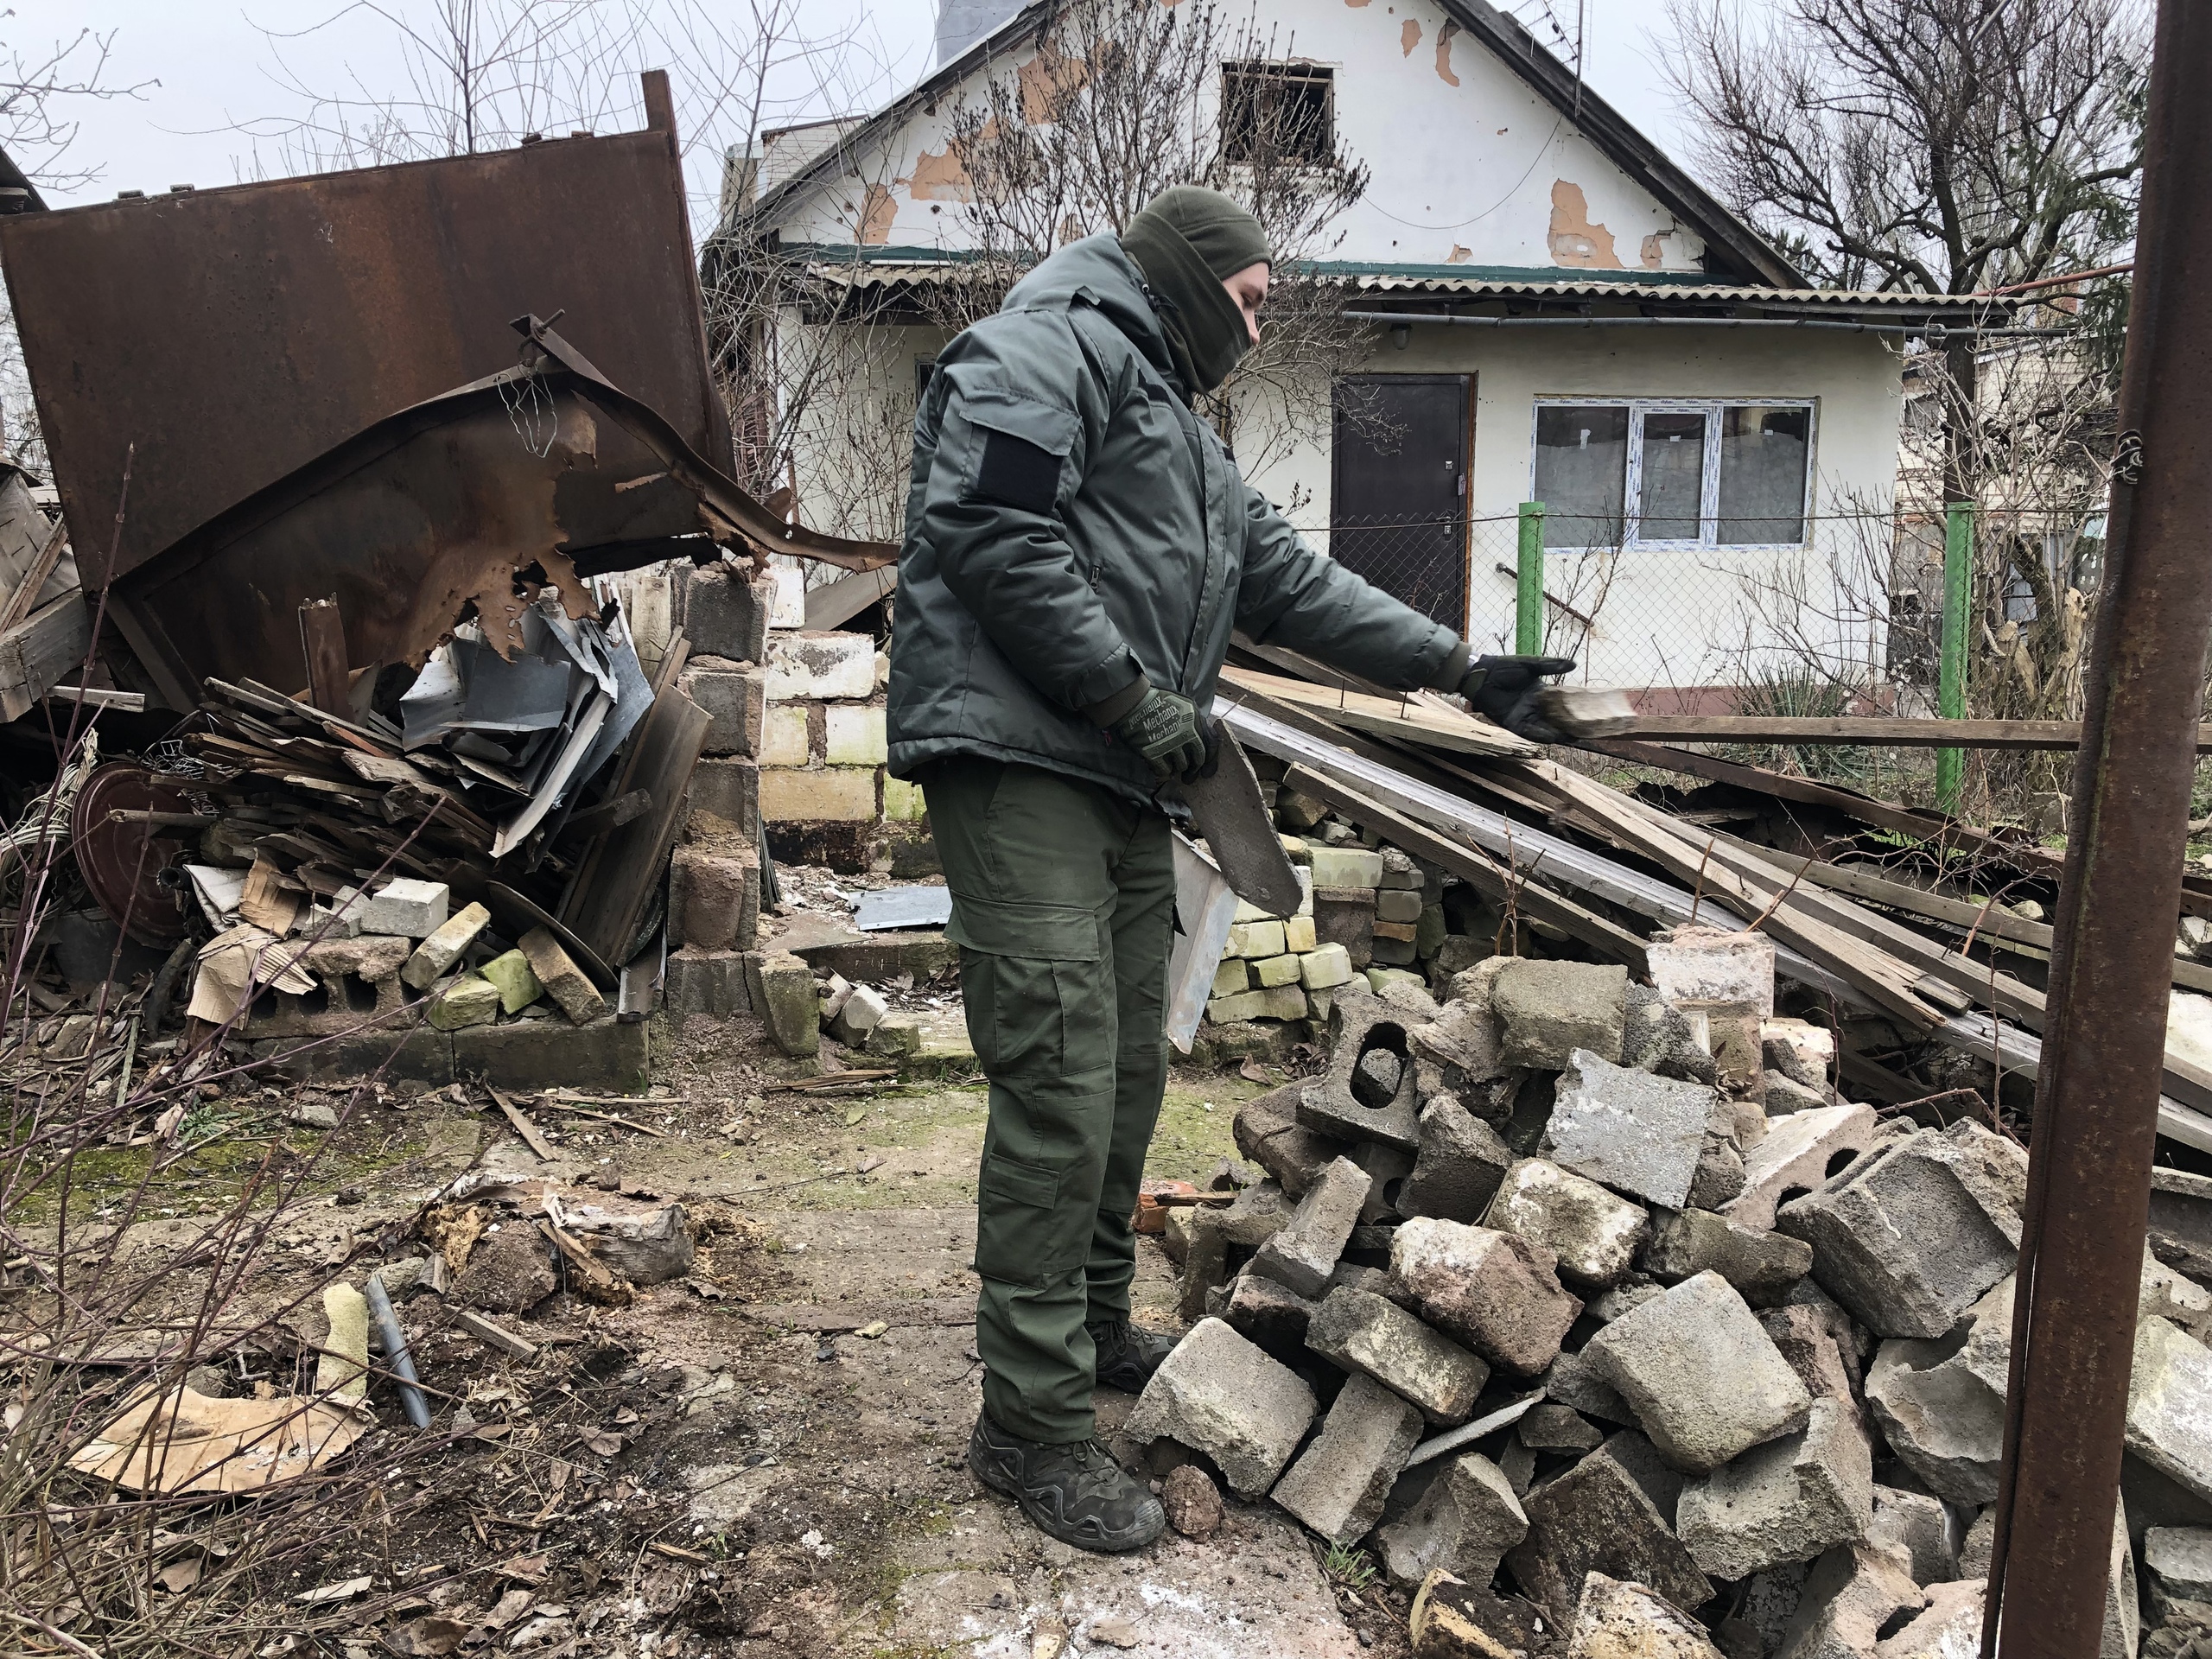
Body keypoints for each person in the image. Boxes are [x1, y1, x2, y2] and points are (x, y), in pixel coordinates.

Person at [885, 183, 1570, 1553]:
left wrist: (1458, 668)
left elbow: (1289, 583)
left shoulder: (1176, 430)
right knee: (1064, 1073)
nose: (1255, 332)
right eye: (1250, 302)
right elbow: (991, 532)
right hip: (1026, 758)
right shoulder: (1046, 345)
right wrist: (1129, 694)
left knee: (1131, 1063)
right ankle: (1025, 1426)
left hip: (1117, 773)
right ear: (1189, 276)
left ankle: (1079, 1338)